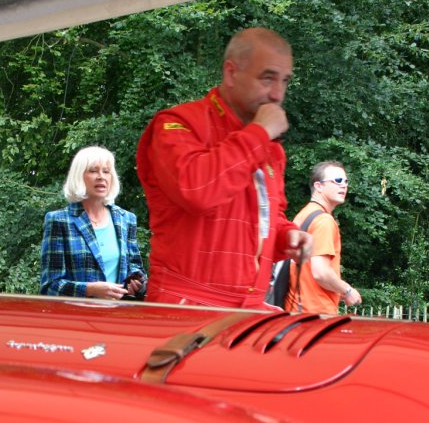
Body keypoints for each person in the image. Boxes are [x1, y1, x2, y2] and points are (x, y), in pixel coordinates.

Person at [136, 27, 311, 307]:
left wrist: (286, 236)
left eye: (285, 81)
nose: (278, 94)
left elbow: (264, 215)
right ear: (231, 73)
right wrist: (258, 134)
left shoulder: (267, 145)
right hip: (184, 306)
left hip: (248, 306)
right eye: (267, 78)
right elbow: (198, 191)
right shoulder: (177, 124)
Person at [40, 146, 146, 299]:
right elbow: (50, 286)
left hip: (119, 316)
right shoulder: (59, 220)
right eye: (93, 171)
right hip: (78, 318)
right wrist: (90, 290)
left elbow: (136, 267)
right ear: (79, 176)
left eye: (106, 171)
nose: (101, 176)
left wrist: (137, 282)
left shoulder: (126, 219)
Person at [284, 161, 362, 314]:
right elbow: (320, 272)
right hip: (316, 313)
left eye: (346, 181)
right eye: (337, 181)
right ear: (318, 186)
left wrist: (335, 290)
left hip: (295, 310)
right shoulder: (324, 221)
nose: (344, 186)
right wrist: (347, 291)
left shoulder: (303, 215)